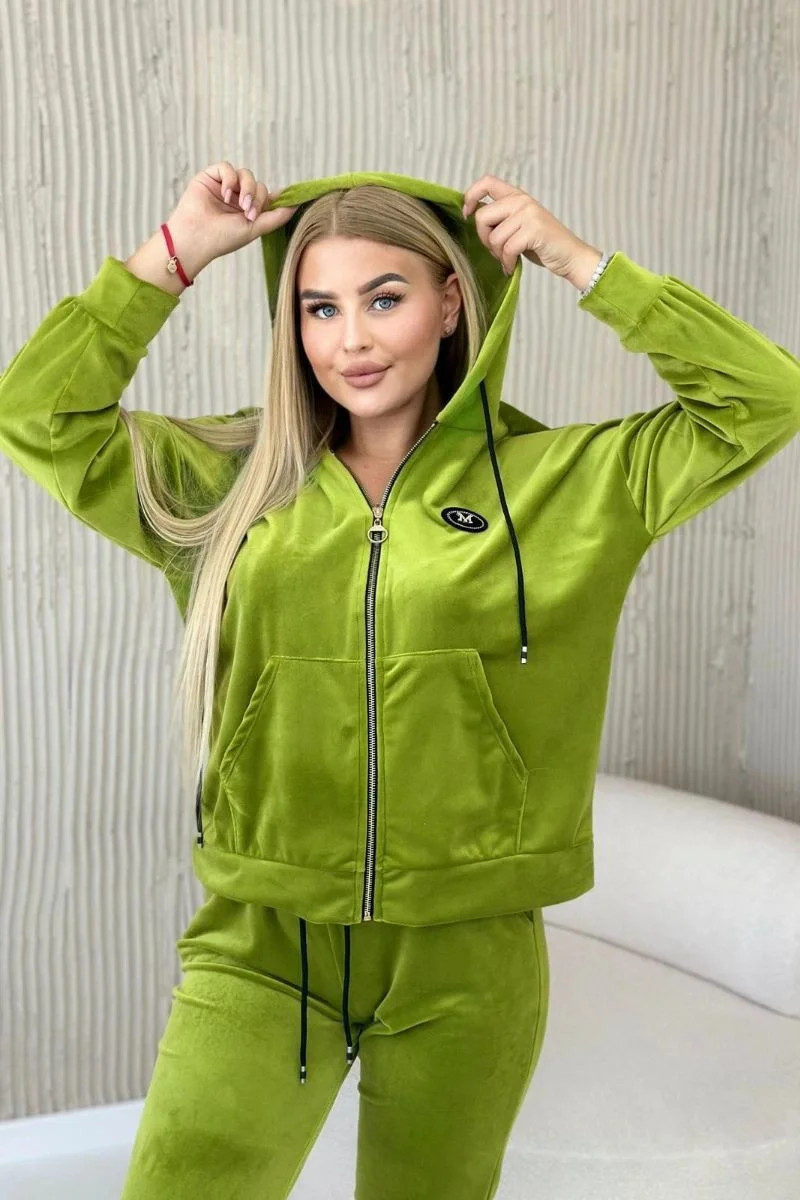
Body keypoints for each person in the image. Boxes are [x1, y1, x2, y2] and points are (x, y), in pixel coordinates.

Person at [1, 162, 798, 1199]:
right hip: (264, 942)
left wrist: (576, 262)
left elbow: (763, 398)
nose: (352, 341)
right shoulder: (230, 481)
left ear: (450, 301)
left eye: (384, 299)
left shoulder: (566, 485)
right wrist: (175, 256)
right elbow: (38, 414)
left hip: (468, 958)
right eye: (319, 308)